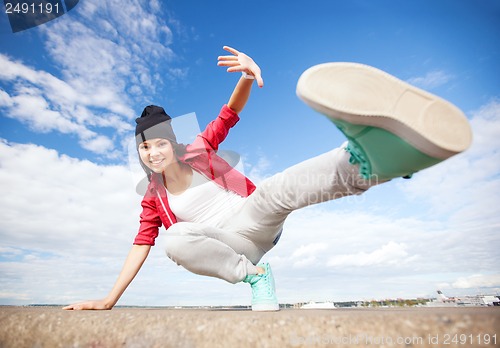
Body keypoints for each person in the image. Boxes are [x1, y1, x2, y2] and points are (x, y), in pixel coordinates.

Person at [63, 46, 472, 311]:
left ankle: (375, 158)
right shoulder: (153, 198)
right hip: (229, 247)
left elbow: (228, 114)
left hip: (254, 217)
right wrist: (108, 300)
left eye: (158, 143)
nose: (152, 152)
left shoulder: (199, 151)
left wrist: (246, 75)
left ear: (172, 142)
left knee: (277, 190)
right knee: (175, 239)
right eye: (144, 148)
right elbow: (140, 246)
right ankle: (257, 277)